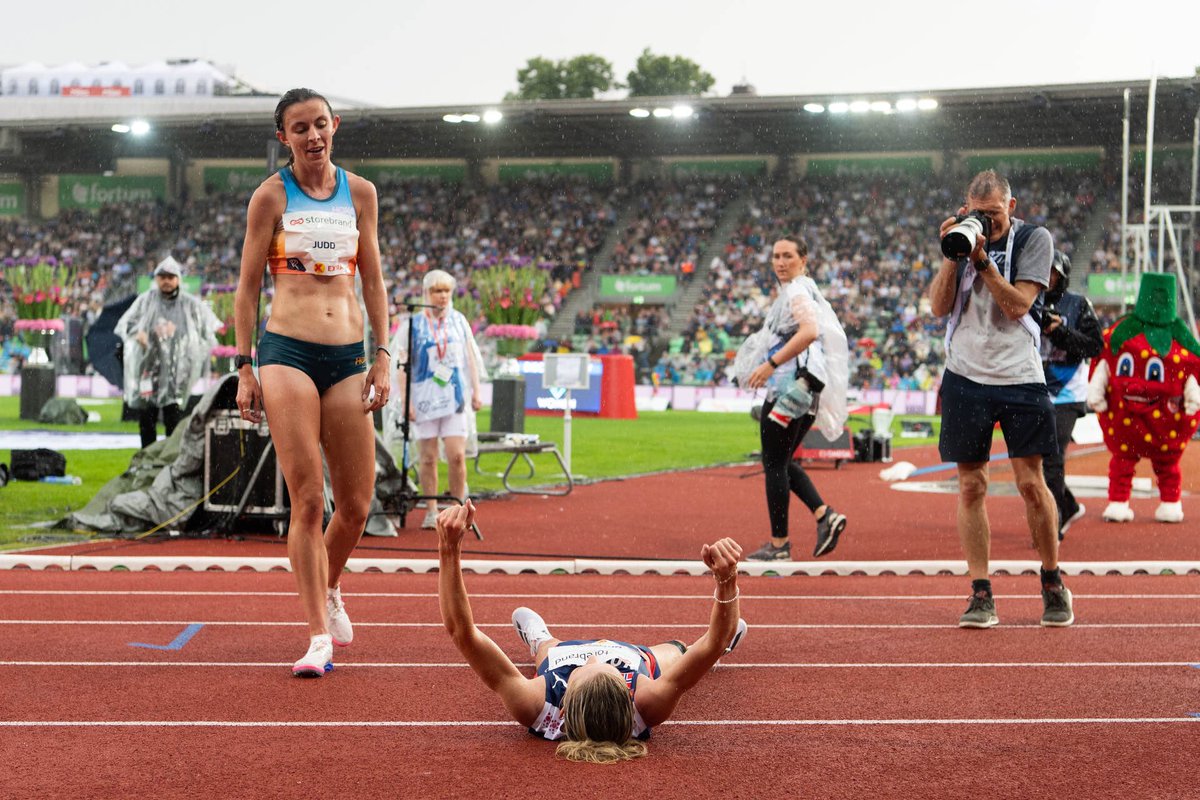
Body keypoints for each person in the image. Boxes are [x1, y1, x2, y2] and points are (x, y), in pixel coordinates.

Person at [233, 88, 391, 677]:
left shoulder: (362, 194)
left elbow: (374, 279)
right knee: (307, 498)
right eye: (299, 128)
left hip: (350, 355)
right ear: (284, 137)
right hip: (286, 353)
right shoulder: (270, 196)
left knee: (354, 504)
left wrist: (383, 354)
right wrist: (244, 365)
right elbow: (247, 288)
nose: (312, 136)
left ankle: (329, 585)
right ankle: (317, 636)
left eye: (320, 124)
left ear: (335, 126)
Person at [435, 500, 748, 763]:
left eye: (584, 668)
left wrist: (449, 549)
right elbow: (710, 643)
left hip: (561, 665)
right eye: (607, 668)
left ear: (566, 700)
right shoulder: (647, 702)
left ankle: (540, 638)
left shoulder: (534, 703)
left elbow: (462, 633)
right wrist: (727, 580)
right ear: (628, 696)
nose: (596, 655)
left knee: (552, 654)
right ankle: (726, 647)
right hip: (634, 659)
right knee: (681, 650)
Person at [928, 170, 1074, 628]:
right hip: (965, 375)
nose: (985, 223)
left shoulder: (1035, 239)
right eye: (977, 214)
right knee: (971, 486)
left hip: (1018, 376)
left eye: (992, 214)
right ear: (965, 207)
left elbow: (1017, 307)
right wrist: (954, 254)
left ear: (1011, 208)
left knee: (1031, 484)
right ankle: (981, 592)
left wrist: (984, 260)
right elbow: (937, 307)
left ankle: (1051, 580)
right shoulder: (962, 237)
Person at [742, 236, 849, 561]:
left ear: (803, 260)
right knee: (782, 461)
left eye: (788, 256)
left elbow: (809, 331)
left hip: (792, 390)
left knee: (773, 463)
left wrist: (769, 364)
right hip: (802, 389)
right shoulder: (802, 290)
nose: (780, 262)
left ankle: (779, 546)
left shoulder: (797, 292)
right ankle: (824, 515)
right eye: (775, 256)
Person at [390, 269, 484, 530]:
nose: (442, 296)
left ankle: (457, 510)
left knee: (456, 456)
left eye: (446, 291)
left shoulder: (458, 321)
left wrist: (476, 391)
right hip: (424, 400)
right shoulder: (413, 324)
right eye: (437, 291)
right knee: (428, 457)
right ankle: (432, 510)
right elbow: (401, 365)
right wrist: (407, 401)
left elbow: (470, 360)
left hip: (454, 398)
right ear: (426, 293)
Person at [115, 256, 221, 449]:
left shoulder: (190, 304)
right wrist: (137, 333)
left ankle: (170, 459)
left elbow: (209, 329)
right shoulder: (145, 301)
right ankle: (147, 458)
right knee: (147, 418)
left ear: (178, 279)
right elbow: (126, 324)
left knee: (174, 419)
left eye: (170, 277)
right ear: (156, 279)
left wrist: (183, 338)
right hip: (149, 369)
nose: (166, 281)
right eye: (162, 276)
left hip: (176, 374)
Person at [1039, 250, 1103, 540]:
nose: (1047, 276)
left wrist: (1060, 332)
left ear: (1062, 274)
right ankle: (1069, 504)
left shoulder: (1078, 304)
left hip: (1067, 393)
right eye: (1043, 270)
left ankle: (1053, 523)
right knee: (1033, 461)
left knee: (1052, 457)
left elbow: (1094, 346)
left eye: (1053, 271)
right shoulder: (1026, 298)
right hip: (1034, 389)